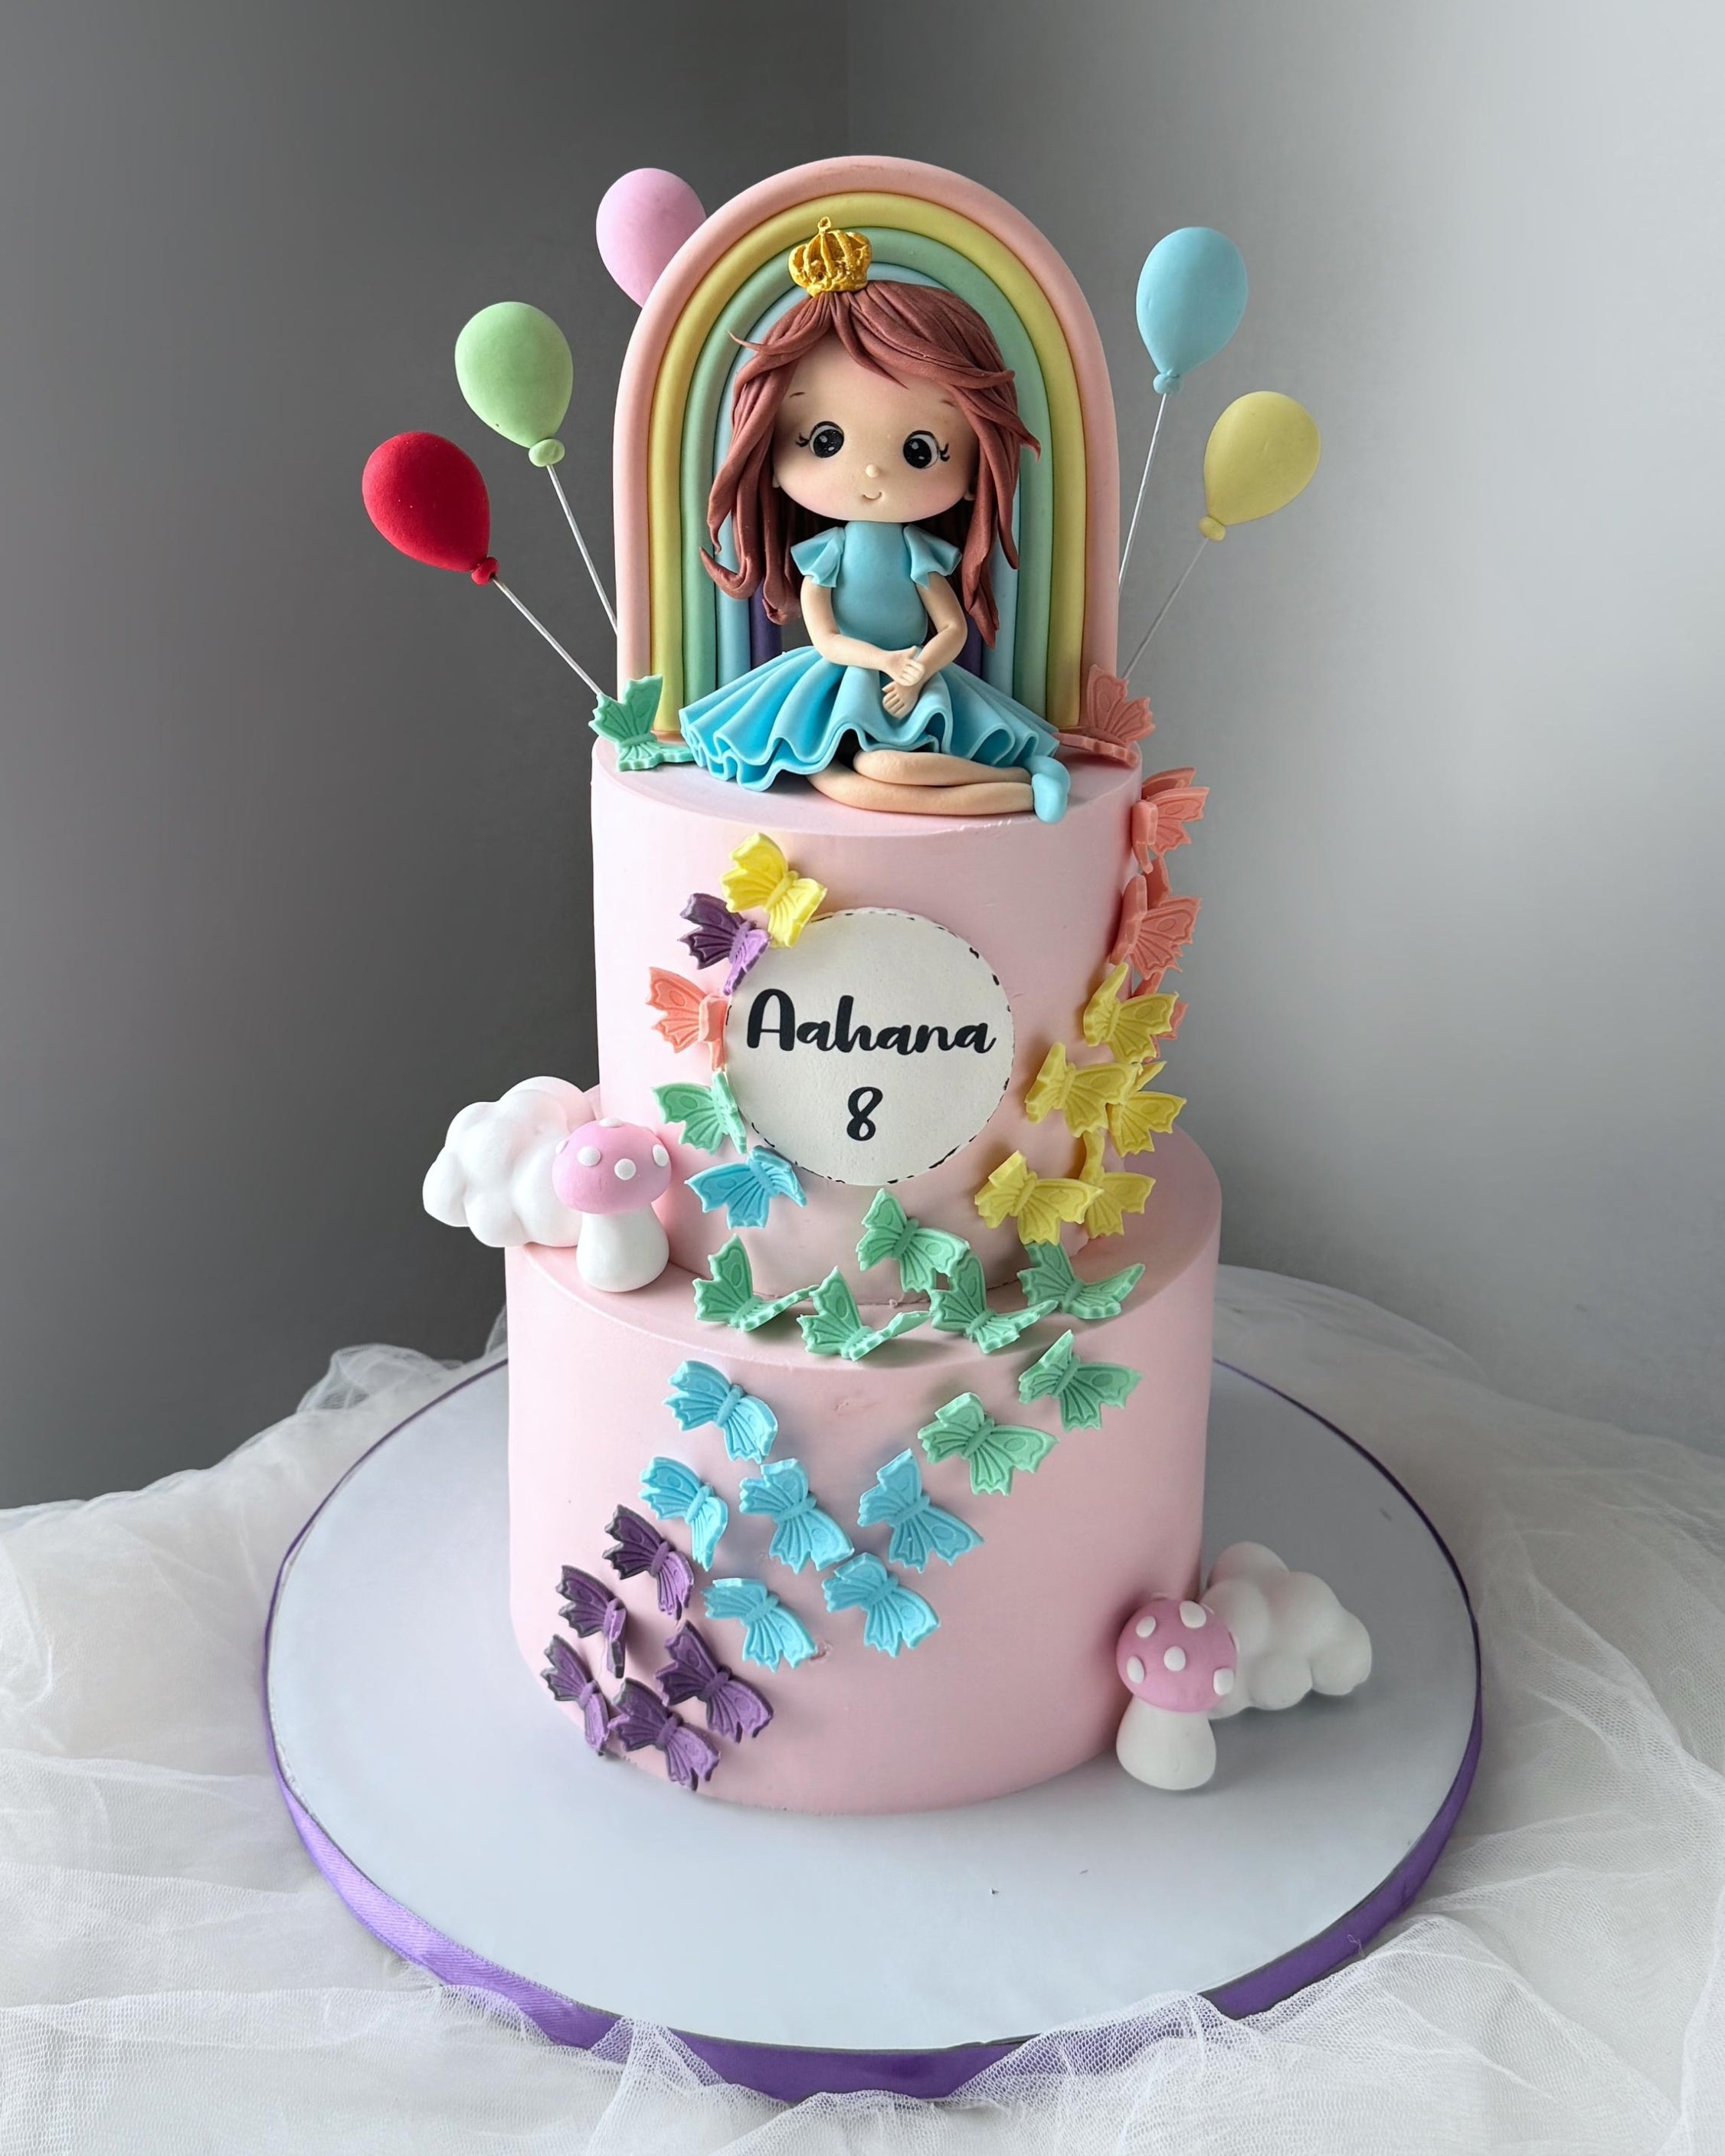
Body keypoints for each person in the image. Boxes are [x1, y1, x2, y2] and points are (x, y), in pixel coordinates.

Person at [680, 218, 1069, 822]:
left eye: (921, 450)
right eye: (825, 440)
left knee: (889, 769)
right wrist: (885, 661)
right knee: (853, 781)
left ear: (975, 470)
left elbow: (952, 627)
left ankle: (1030, 778)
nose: (871, 472)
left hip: (912, 685)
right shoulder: (828, 554)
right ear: (771, 458)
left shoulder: (918, 551)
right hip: (845, 681)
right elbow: (825, 638)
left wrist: (917, 672)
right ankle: (1023, 785)